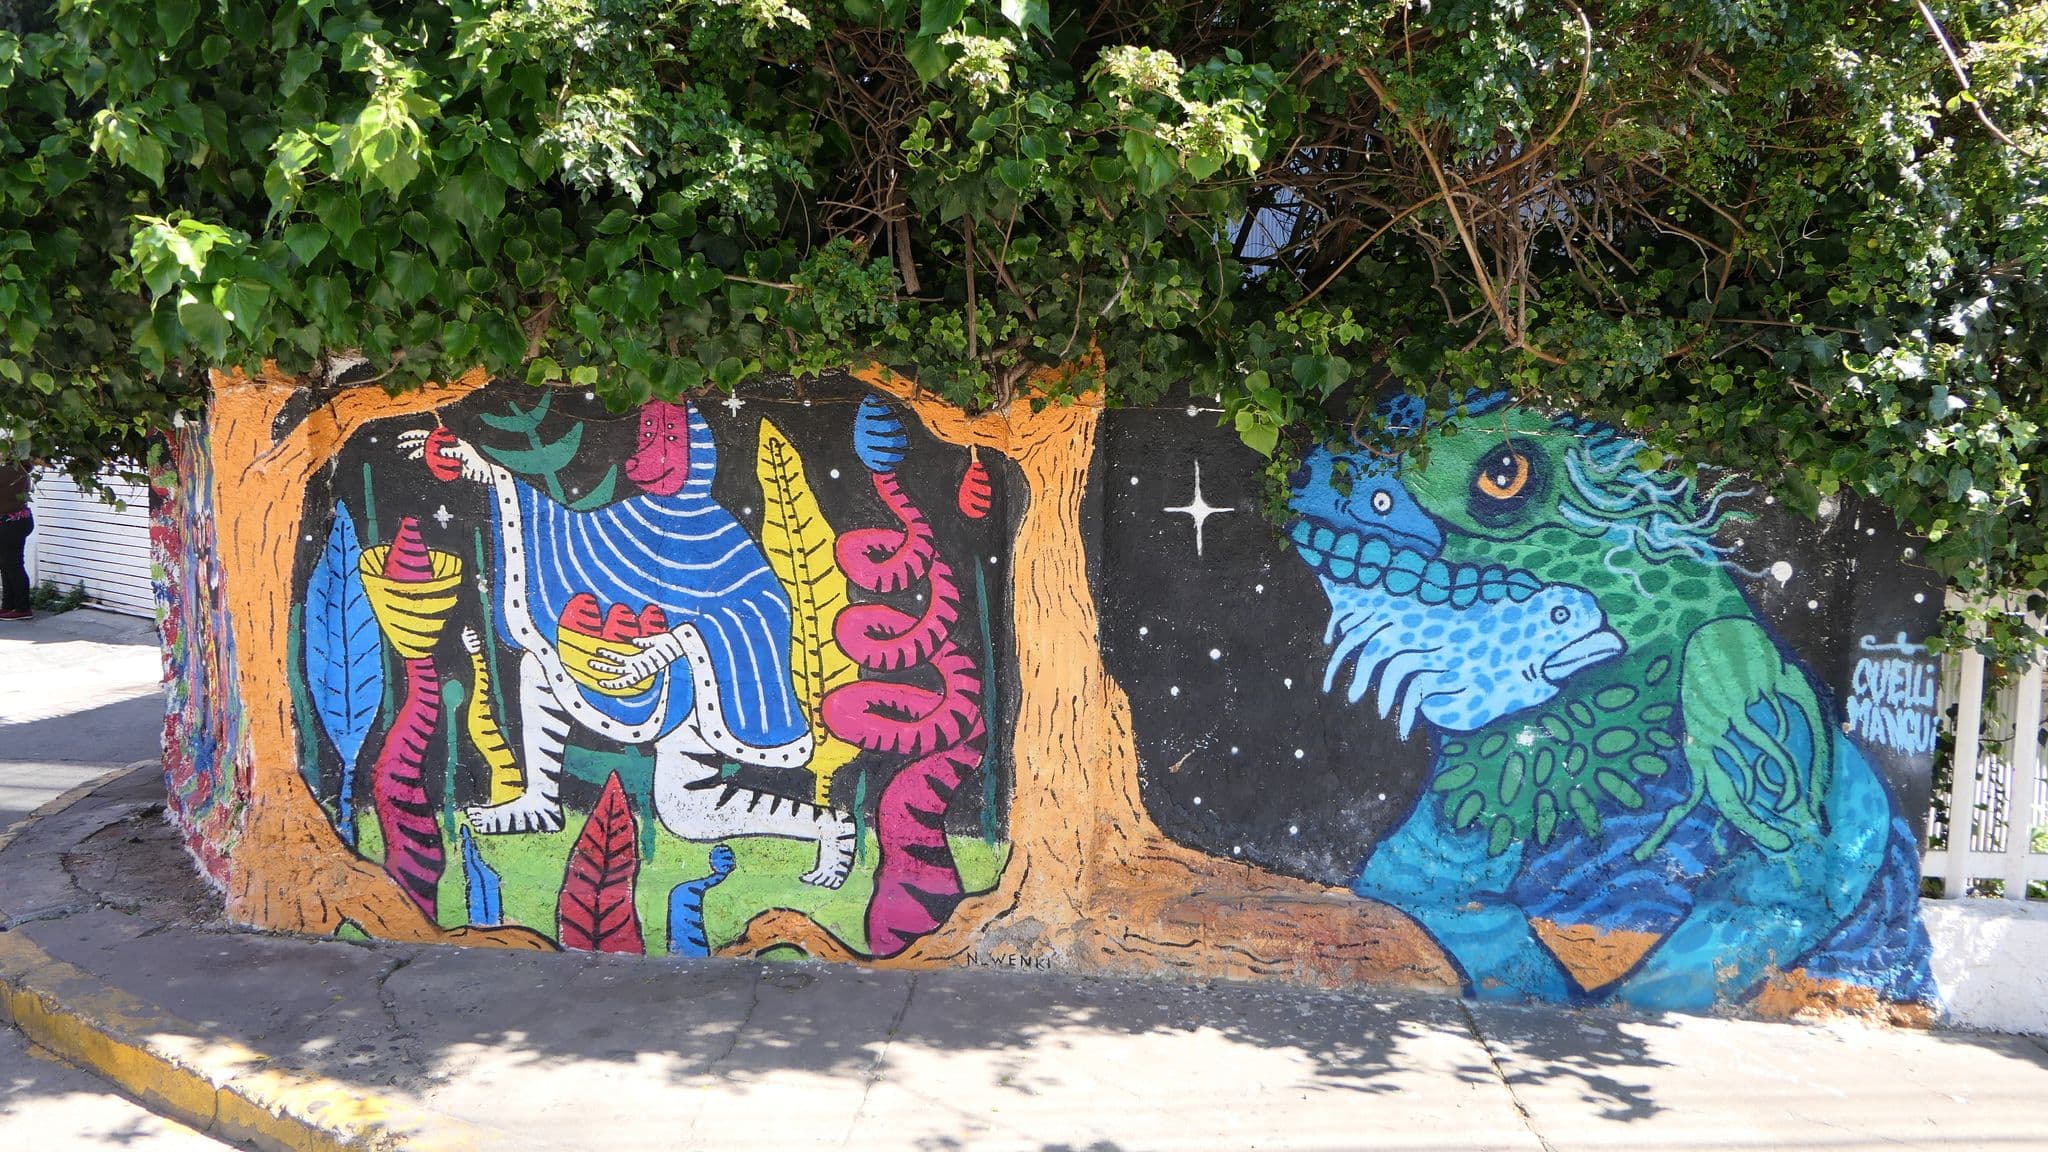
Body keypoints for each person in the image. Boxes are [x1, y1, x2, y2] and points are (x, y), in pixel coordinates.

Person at [0, 459, 32, 621]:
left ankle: (22, 608)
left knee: (12, 565)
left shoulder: (10, 471)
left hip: (11, 523)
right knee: (7, 564)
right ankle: (8, 605)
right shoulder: (20, 470)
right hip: (16, 521)